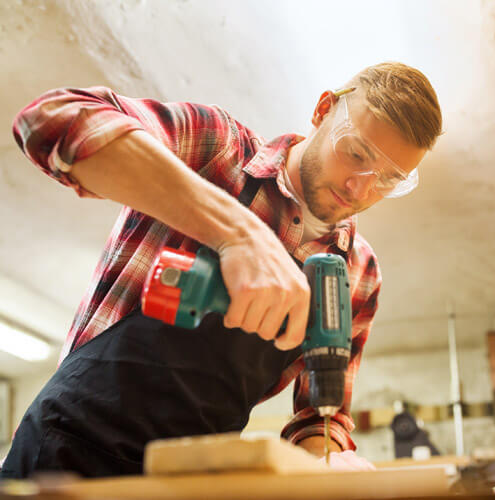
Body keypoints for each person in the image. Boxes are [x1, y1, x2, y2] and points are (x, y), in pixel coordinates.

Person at [1, 62, 442, 478]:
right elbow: (51, 119)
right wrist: (235, 232)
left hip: (194, 477)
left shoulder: (357, 272)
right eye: (355, 152)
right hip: (68, 450)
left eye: (388, 180)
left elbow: (319, 415)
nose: (361, 186)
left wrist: (330, 459)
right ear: (323, 110)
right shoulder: (218, 149)